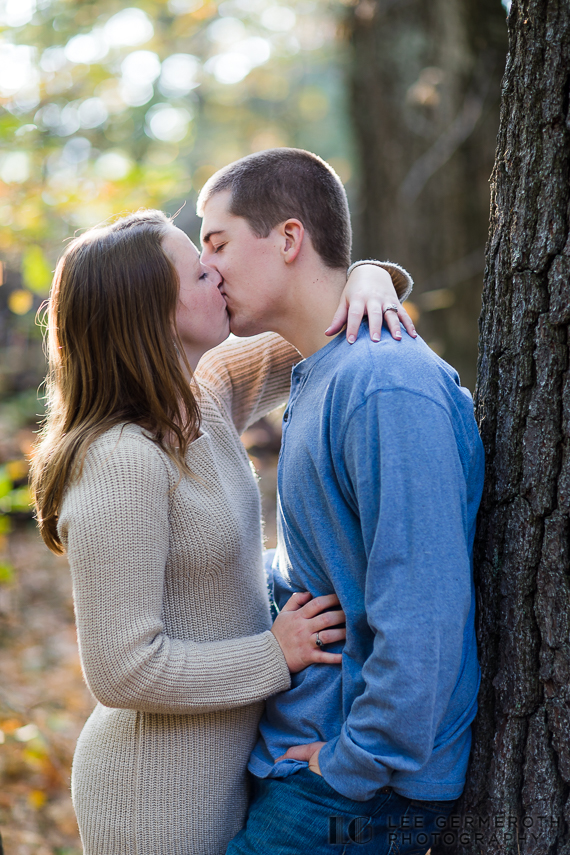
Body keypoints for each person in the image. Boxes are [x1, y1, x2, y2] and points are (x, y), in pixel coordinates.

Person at [30, 207, 412, 855]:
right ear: (152, 313)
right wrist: (275, 652)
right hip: (153, 793)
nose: (219, 276)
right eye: (199, 272)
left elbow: (316, 314)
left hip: (227, 769)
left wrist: (371, 275)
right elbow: (122, 670)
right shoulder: (119, 458)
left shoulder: (201, 394)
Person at [196, 148, 486, 855]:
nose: (209, 270)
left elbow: (424, 605)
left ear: (289, 238)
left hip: (356, 788)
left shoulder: (383, 383)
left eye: (218, 243)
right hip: (311, 760)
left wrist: (354, 761)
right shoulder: (322, 372)